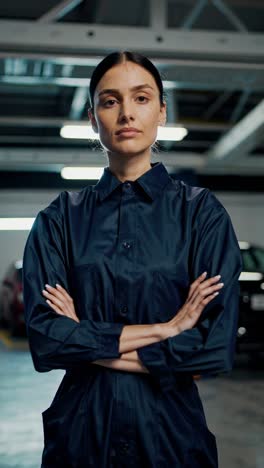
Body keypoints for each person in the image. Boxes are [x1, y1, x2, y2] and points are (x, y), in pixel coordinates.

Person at [22, 50, 243, 468]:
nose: (126, 113)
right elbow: (47, 340)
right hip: (83, 437)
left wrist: (84, 339)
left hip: (171, 438)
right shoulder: (59, 219)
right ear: (93, 118)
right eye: (110, 101)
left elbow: (215, 346)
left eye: (141, 99)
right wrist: (169, 328)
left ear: (161, 111)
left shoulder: (200, 214)